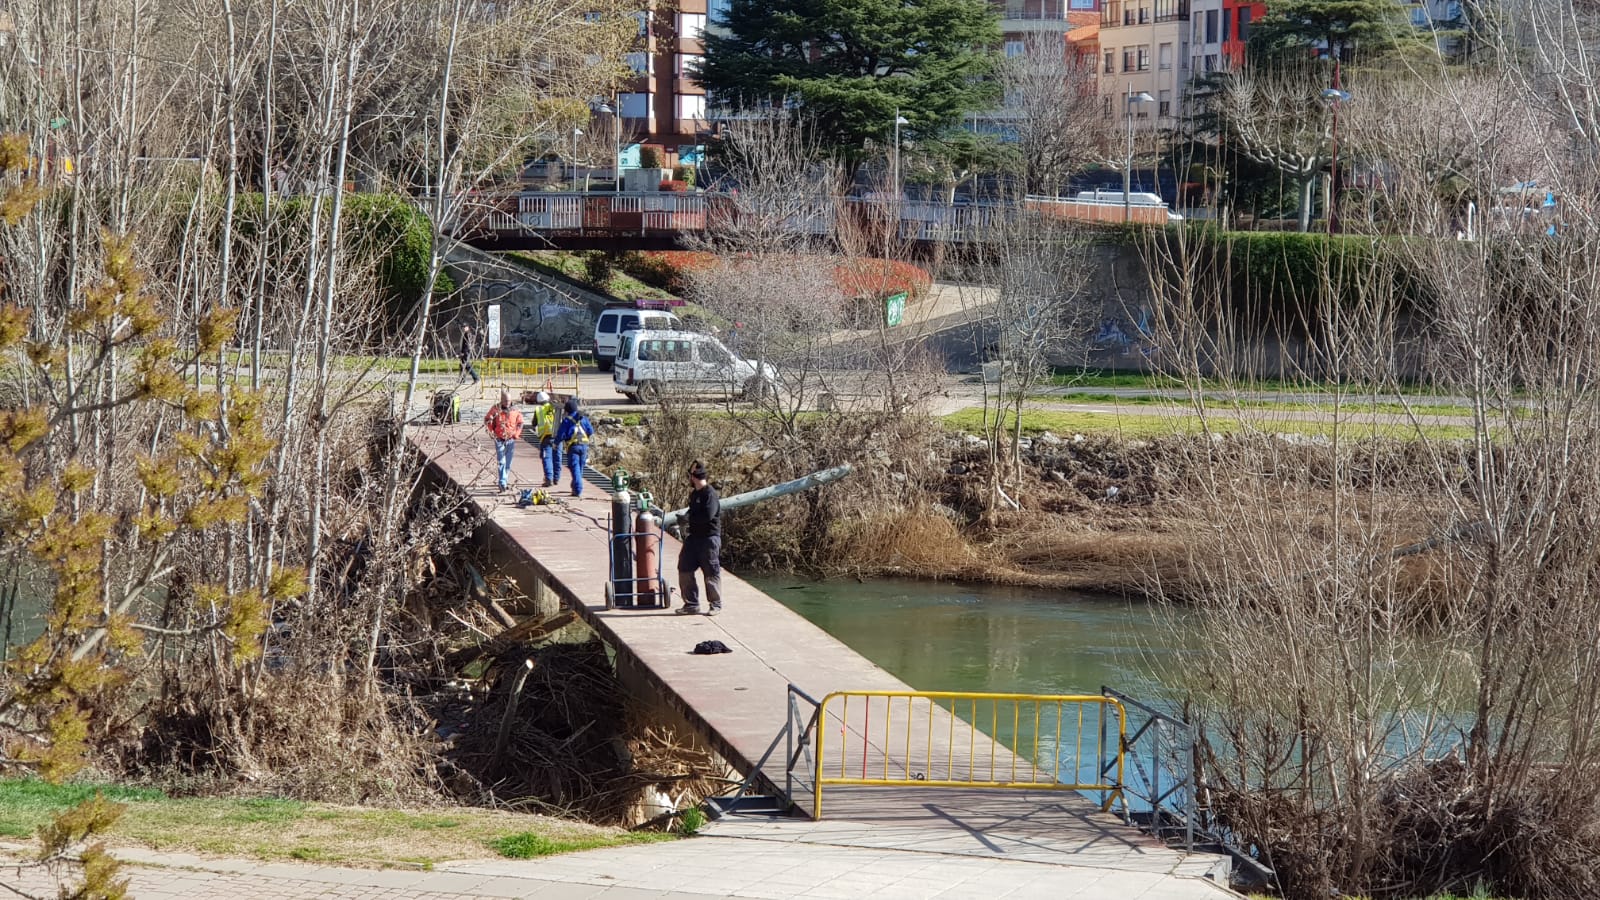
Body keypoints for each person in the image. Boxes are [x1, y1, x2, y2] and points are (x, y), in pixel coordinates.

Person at [675, 460, 722, 616]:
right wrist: (685, 517)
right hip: (693, 538)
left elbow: (707, 516)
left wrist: (689, 519)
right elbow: (692, 511)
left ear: (693, 477)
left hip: (709, 539)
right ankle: (691, 604)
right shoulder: (695, 494)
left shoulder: (710, 494)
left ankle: (715, 604)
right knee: (684, 568)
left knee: (710, 571)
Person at [483, 390, 523, 493]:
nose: (507, 403)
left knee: (508, 463)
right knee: (501, 461)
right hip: (499, 438)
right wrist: (492, 432)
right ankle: (502, 483)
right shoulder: (495, 409)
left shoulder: (515, 410)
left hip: (511, 439)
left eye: (509, 400)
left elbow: (520, 423)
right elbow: (487, 419)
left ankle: (504, 479)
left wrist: (516, 435)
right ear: (501, 400)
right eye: (505, 401)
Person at [554, 397, 593, 497]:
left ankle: (578, 489)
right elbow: (590, 431)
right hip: (584, 446)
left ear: (566, 411)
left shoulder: (566, 421)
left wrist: (555, 444)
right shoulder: (583, 418)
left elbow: (561, 434)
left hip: (573, 447)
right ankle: (575, 487)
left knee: (574, 468)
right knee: (580, 468)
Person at [532, 391, 561, 488]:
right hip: (557, 436)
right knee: (557, 457)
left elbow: (534, 423)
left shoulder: (538, 409)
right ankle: (556, 478)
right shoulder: (554, 407)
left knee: (547, 458)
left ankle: (549, 478)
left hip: (545, 438)